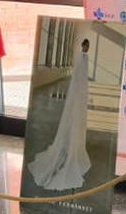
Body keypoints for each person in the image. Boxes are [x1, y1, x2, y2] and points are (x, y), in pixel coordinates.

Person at [28, 38, 93, 191]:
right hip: (75, 98)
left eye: (88, 46)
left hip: (79, 97)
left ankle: (72, 147)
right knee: (71, 120)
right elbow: (77, 78)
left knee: (75, 122)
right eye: (85, 45)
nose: (86, 47)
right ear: (82, 46)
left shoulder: (84, 59)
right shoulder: (81, 59)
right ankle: (65, 154)